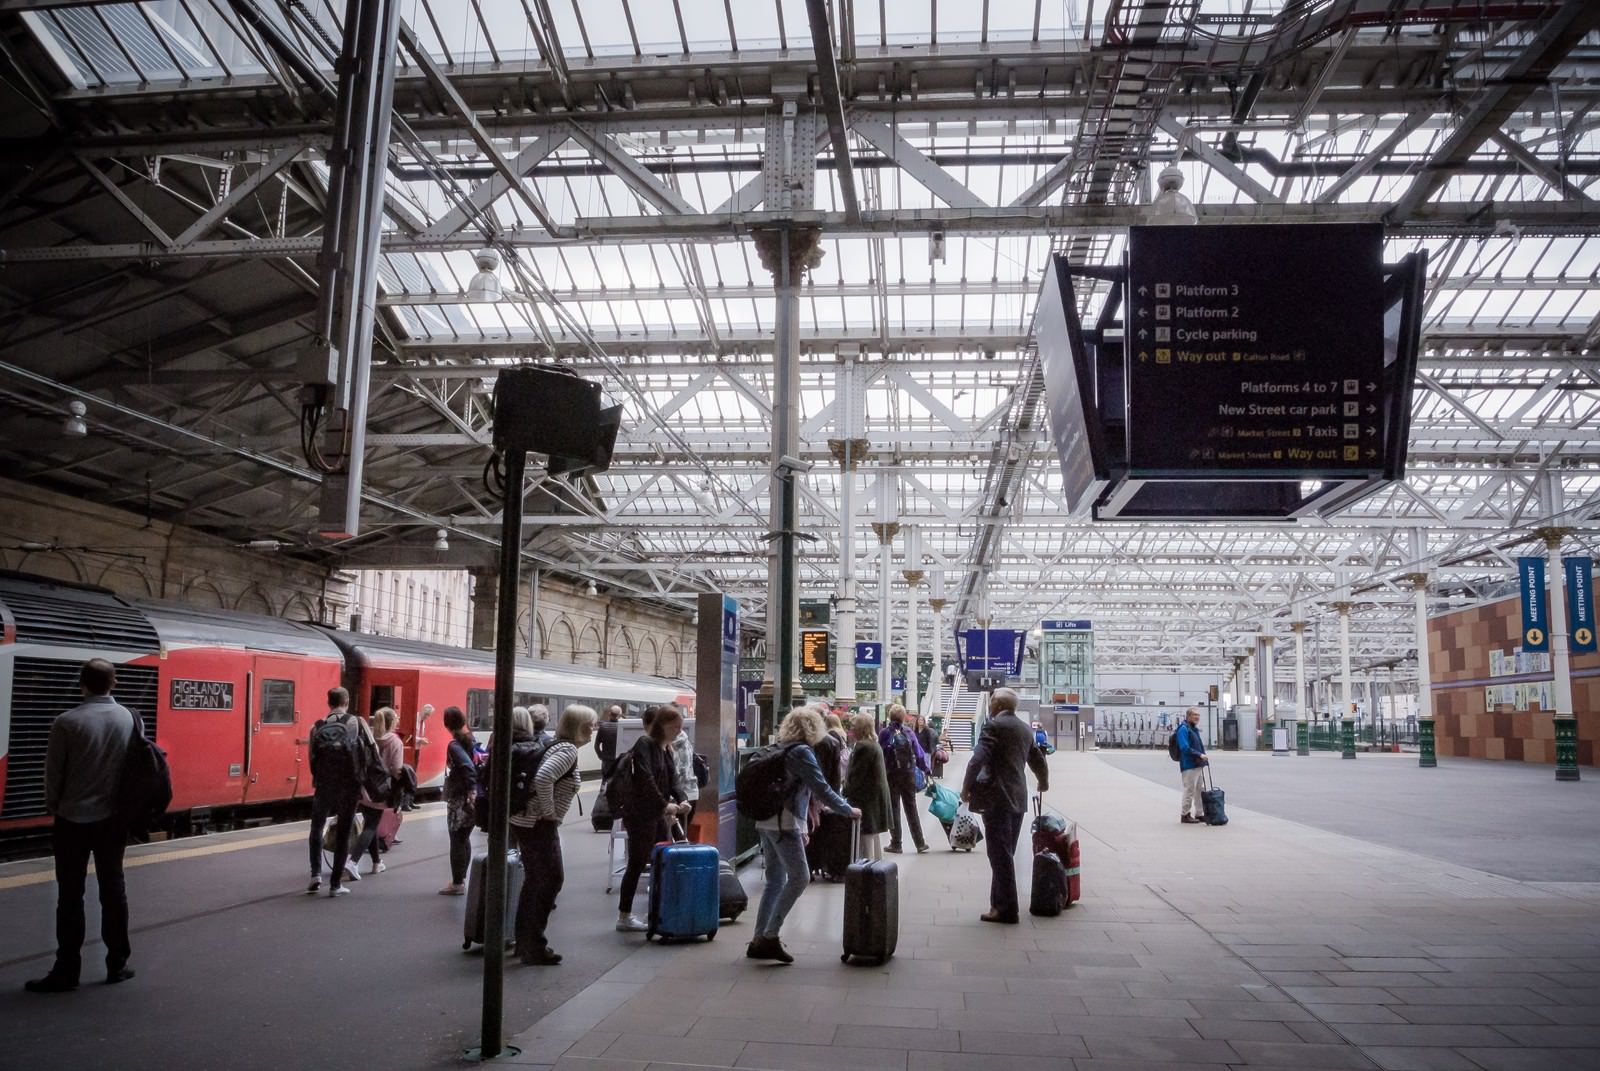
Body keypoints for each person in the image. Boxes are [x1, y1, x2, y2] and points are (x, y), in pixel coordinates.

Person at [25, 659, 138, 993]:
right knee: (113, 891)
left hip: (72, 821)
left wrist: (56, 806)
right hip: (113, 821)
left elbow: (53, 776)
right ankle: (117, 963)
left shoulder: (66, 722)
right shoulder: (129, 719)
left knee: (70, 896)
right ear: (113, 683)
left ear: (82, 684)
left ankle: (67, 970)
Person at [749, 706, 859, 964]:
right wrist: (847, 809)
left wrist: (804, 827)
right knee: (799, 878)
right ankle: (770, 935)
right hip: (783, 823)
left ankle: (758, 939)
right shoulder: (801, 752)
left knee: (775, 880)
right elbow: (821, 788)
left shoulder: (778, 749)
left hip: (764, 821)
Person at [510, 704, 597, 966]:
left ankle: (525, 942)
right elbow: (544, 777)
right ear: (580, 727)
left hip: (526, 821)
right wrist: (549, 813)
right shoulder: (568, 750)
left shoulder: (556, 744)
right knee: (550, 880)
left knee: (535, 881)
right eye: (590, 725)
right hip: (537, 823)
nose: (593, 730)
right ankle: (533, 945)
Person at [961, 687, 1049, 924]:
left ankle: (1007, 908)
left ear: (998, 705)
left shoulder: (994, 726)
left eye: (992, 702)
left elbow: (977, 759)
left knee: (999, 856)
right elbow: (1037, 760)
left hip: (996, 798)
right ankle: (997, 904)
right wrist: (1043, 782)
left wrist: (965, 788)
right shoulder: (1024, 728)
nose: (989, 705)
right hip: (1018, 797)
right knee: (1005, 853)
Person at [615, 704, 689, 932]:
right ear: (663, 725)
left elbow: (673, 778)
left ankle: (656, 909)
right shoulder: (645, 744)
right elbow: (645, 779)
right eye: (674, 726)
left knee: (659, 860)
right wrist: (665, 804)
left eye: (680, 727)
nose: (678, 731)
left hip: (656, 813)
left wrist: (681, 798)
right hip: (640, 814)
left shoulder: (664, 747)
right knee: (637, 862)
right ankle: (624, 916)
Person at [307, 686, 376, 898]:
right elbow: (373, 751)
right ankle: (335, 884)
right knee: (344, 830)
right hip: (348, 785)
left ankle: (315, 875)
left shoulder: (316, 726)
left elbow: (312, 759)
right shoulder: (357, 722)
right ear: (346, 702)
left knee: (317, 827)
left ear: (329, 702)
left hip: (323, 784)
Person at [347, 706, 404, 881]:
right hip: (381, 790)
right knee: (371, 826)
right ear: (392, 722)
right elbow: (397, 769)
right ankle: (352, 861)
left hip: (365, 789)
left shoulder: (369, 738)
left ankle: (376, 862)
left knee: (370, 824)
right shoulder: (395, 741)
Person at [877, 704, 931, 854]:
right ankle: (920, 843)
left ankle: (896, 843)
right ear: (903, 717)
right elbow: (919, 753)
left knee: (894, 808)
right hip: (908, 775)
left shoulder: (884, 733)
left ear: (889, 717)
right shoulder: (908, 732)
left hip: (891, 775)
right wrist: (926, 768)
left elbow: (879, 754)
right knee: (911, 808)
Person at [842, 713, 890, 862]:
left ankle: (866, 873)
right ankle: (876, 870)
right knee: (873, 839)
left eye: (853, 727)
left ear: (860, 728)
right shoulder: (874, 745)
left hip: (866, 801)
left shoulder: (862, 747)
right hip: (875, 799)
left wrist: (845, 791)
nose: (851, 730)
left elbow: (856, 777)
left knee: (865, 841)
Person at [440, 706, 476, 895]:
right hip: (468, 799)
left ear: (448, 725)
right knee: (464, 838)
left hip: (460, 799)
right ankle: (461, 879)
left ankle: (457, 883)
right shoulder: (471, 738)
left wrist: (471, 790)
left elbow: (467, 766)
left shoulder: (454, 745)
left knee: (456, 840)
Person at [668, 706, 701, 834]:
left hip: (678, 798)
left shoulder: (671, 744)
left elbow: (675, 772)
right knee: (681, 835)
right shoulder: (685, 739)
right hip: (692, 792)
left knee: (672, 837)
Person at [1177, 707, 1210, 825]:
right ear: (1188, 716)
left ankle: (1199, 813)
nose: (1197, 717)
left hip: (1197, 764)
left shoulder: (1193, 729)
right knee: (1189, 789)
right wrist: (1199, 755)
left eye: (1198, 715)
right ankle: (1185, 814)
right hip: (1189, 764)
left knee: (1199, 790)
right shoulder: (1183, 729)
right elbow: (1184, 747)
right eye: (1194, 715)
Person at [595, 705, 623, 780]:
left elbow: (596, 745)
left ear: (610, 714)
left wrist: (601, 756)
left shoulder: (603, 726)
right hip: (620, 760)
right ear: (620, 715)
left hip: (607, 760)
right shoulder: (623, 727)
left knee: (605, 781)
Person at [915, 714, 945, 780]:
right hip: (917, 751)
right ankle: (920, 780)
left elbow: (930, 741)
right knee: (918, 766)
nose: (920, 721)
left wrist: (930, 751)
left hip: (925, 751)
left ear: (924, 722)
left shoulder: (927, 731)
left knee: (926, 765)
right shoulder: (915, 731)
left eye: (921, 720)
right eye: (919, 720)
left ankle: (926, 779)